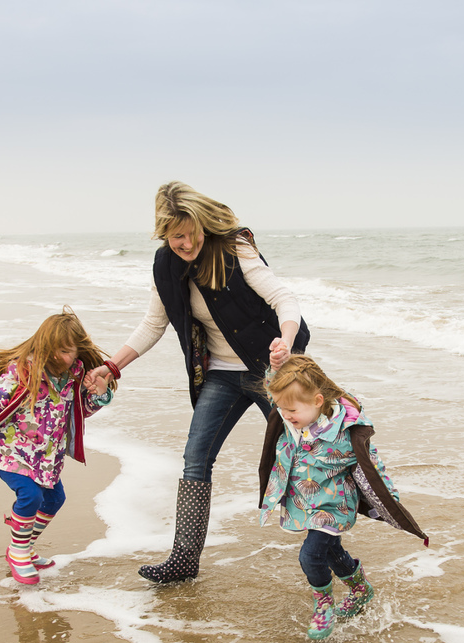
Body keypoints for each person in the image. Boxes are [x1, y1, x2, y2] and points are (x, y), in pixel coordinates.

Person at [84, 181, 310, 584]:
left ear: (203, 225)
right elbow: (154, 323)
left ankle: (329, 545)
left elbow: (284, 299)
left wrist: (286, 343)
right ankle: (184, 559)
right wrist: (111, 366)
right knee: (195, 458)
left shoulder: (235, 248)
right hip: (221, 375)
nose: (185, 243)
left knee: (306, 452)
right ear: (164, 234)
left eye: (190, 234)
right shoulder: (165, 266)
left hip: (271, 370)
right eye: (175, 237)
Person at [258, 356, 428, 639]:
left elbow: (373, 468)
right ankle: (361, 588)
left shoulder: (346, 433)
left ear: (317, 400)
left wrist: (391, 501)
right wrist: (275, 369)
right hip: (303, 502)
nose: (284, 415)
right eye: (281, 408)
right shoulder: (293, 419)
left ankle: (324, 604)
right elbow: (275, 390)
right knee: (331, 551)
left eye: (290, 409)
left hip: (333, 505)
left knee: (311, 556)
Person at [0, 308, 114, 586]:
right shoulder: (24, 371)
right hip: (7, 450)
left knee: (55, 499)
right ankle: (18, 551)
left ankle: (23, 545)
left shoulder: (74, 377)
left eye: (65, 351)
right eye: (52, 349)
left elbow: (80, 411)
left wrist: (99, 395)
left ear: (77, 350)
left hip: (44, 456)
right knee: (30, 497)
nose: (56, 357)